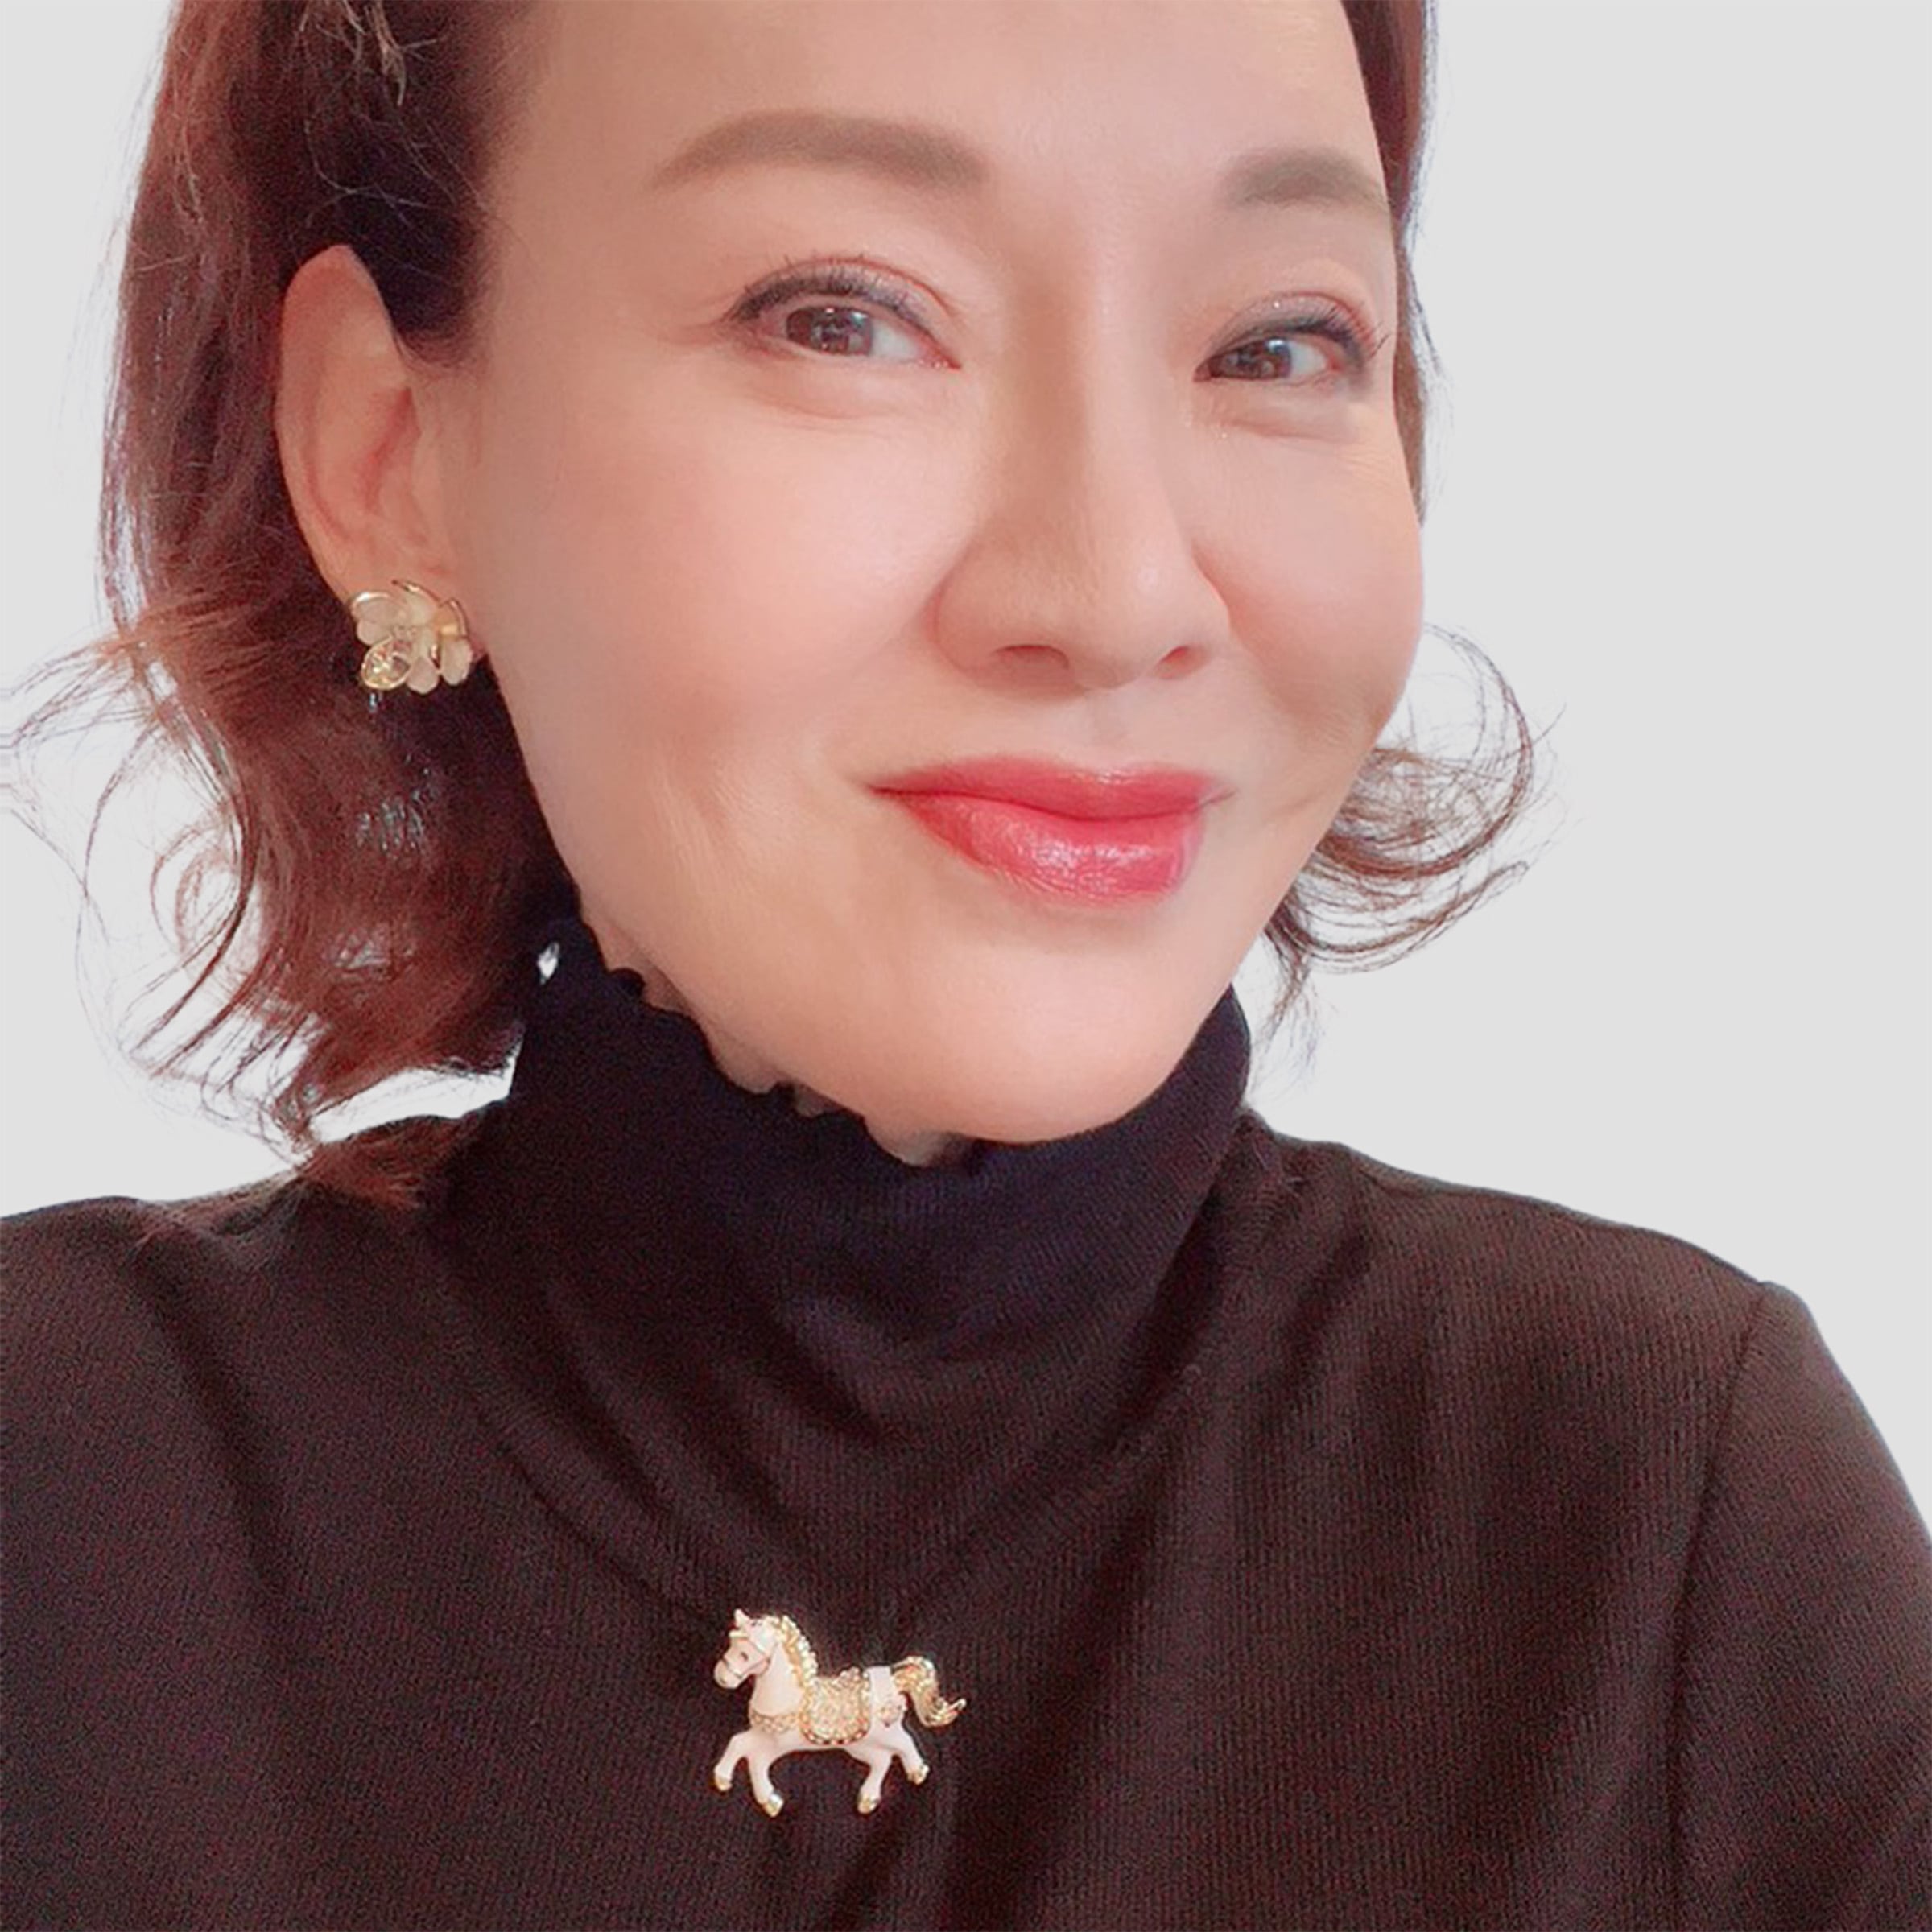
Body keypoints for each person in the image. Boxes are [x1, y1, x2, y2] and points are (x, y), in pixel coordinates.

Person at [6, 1, 1927, 1926]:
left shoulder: (1668, 1532)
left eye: (1276, 343)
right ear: (389, 449)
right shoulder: (59, 1504)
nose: (1118, 594)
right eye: (843, 315)